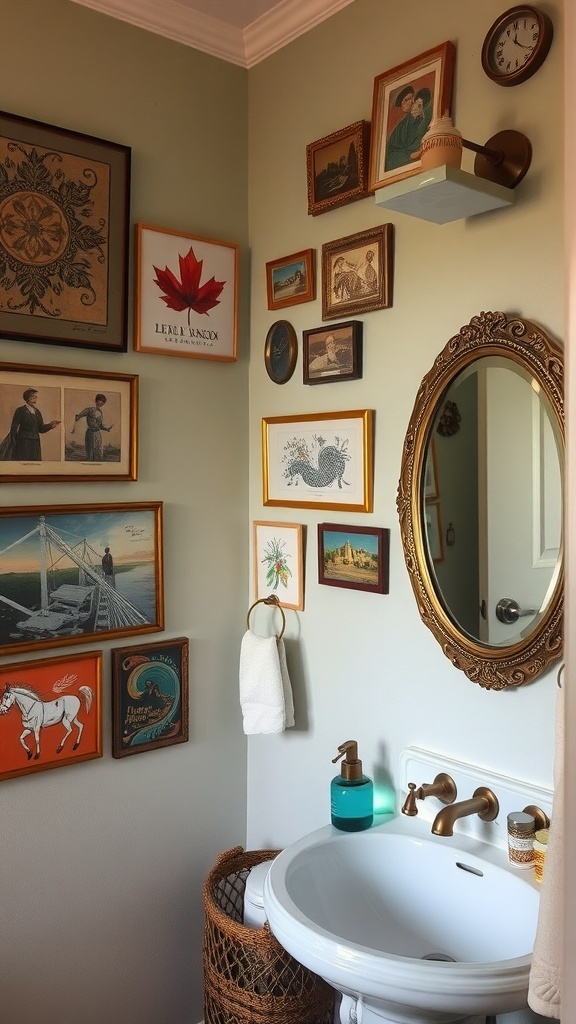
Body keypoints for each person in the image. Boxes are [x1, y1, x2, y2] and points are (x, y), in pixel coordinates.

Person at [1, 388, 61, 461]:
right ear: (27, 398)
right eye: (32, 396)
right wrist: (14, 442)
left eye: (35, 396)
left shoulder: (37, 412)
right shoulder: (20, 410)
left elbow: (41, 428)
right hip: (23, 442)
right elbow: (14, 427)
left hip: (35, 442)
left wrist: (51, 425)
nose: (35, 398)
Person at [384, 87, 432, 172]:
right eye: (406, 100)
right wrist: (409, 156)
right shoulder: (402, 125)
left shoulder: (426, 116)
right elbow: (391, 154)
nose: (411, 102)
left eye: (412, 98)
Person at [73, 394, 113, 461]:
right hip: (90, 433)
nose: (102, 403)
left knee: (98, 452)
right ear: (96, 400)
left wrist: (107, 429)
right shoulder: (89, 410)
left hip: (97, 434)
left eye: (103, 402)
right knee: (90, 451)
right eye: (101, 401)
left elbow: (101, 426)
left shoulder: (100, 412)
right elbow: (77, 417)